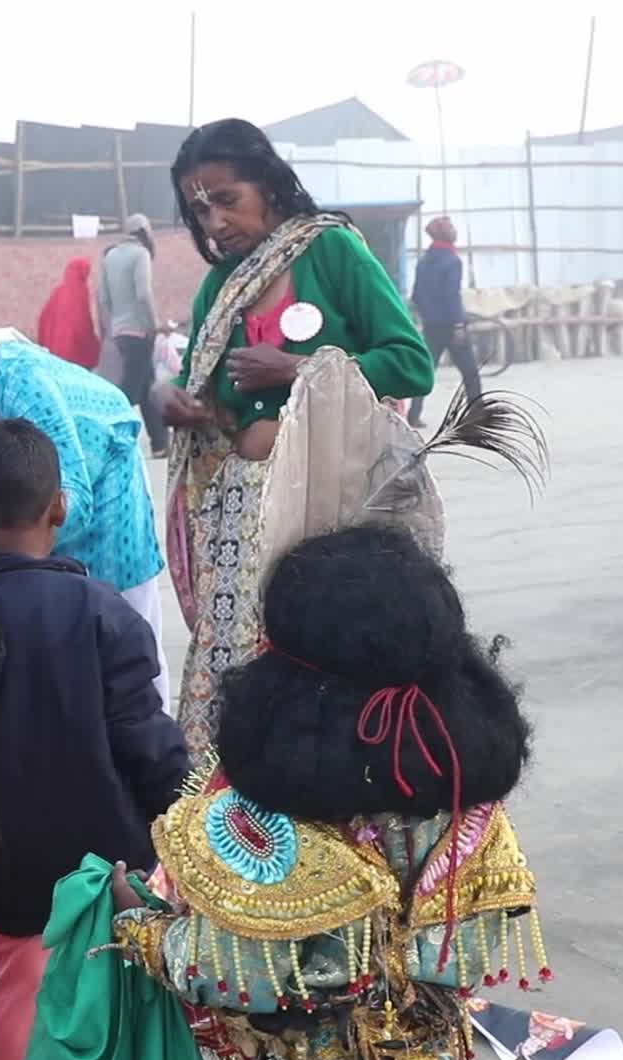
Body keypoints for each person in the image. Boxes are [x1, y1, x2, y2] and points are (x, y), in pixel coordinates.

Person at [105, 525, 544, 1060]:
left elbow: (234, 972)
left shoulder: (274, 819)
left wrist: (141, 926)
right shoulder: (465, 801)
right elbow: (468, 954)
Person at [0, 418, 188, 1060]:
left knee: (16, 993)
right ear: (59, 506)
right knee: (119, 1007)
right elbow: (147, 740)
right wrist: (189, 820)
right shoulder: (103, 613)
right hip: (108, 867)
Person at [158, 118, 434, 753]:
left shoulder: (330, 251)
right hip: (240, 519)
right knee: (245, 664)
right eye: (199, 211)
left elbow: (410, 360)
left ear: (270, 186)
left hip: (327, 505)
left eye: (227, 200)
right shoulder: (218, 288)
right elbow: (196, 382)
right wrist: (178, 400)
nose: (214, 223)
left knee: (322, 651)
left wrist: (301, 369)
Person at [0, 309, 171, 707]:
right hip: (22, 508)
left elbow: (75, 497)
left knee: (121, 623)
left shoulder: (23, 384)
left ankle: (152, 732)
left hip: (100, 473)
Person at [100, 212, 166, 454]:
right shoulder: (141, 254)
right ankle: (107, 433)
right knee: (131, 389)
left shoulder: (111, 256)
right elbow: (143, 294)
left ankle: (159, 442)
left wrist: (113, 328)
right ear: (145, 233)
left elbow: (104, 299)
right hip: (140, 329)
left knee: (147, 384)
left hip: (120, 330)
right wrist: (154, 324)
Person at [408, 215, 475, 427]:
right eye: (452, 228)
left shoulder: (424, 261)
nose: (455, 230)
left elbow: (416, 295)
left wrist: (428, 315)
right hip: (452, 325)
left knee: (425, 372)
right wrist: (458, 325)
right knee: (470, 373)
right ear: (446, 234)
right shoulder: (452, 261)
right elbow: (452, 294)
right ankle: (478, 414)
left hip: (431, 326)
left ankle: (413, 415)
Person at [36, 255, 101, 369]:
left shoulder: (58, 292)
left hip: (54, 350)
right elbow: (82, 322)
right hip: (73, 351)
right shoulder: (81, 291)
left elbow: (44, 319)